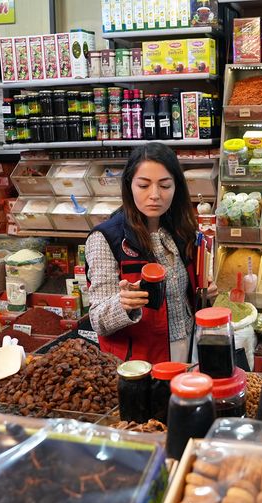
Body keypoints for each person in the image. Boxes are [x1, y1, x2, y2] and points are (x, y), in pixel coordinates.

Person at [86, 142, 216, 363]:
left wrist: (206, 294)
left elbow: (186, 296)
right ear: (129, 186)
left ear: (177, 188)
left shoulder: (181, 230)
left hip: (189, 349)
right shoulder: (106, 238)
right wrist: (123, 303)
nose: (155, 195)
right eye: (144, 185)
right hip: (139, 364)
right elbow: (98, 319)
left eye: (165, 186)